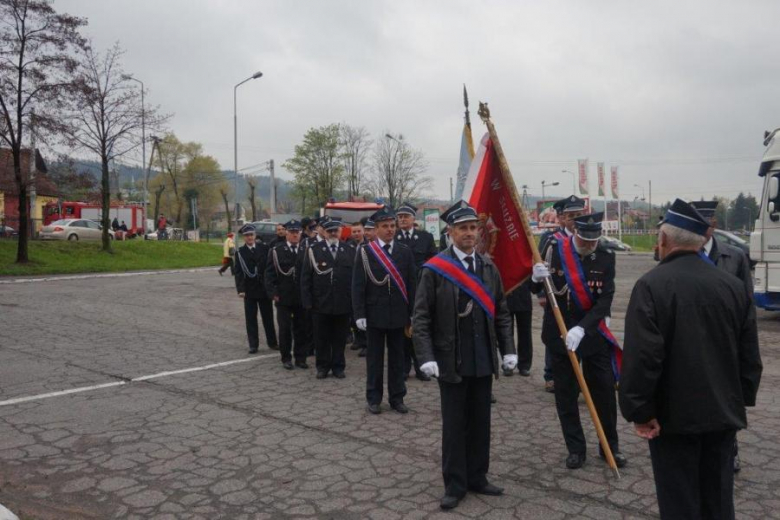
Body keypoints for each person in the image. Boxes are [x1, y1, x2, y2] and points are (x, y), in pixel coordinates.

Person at [619, 199, 762, 520]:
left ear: (664, 240)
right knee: (719, 500)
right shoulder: (733, 286)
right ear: (700, 240)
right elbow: (749, 354)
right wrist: (740, 398)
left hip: (673, 419)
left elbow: (643, 357)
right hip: (722, 413)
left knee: (680, 502)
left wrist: (640, 411)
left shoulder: (651, 285)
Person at [413, 200, 516, 511]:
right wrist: (425, 355)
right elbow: (421, 318)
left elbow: (501, 313)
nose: (470, 233)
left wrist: (508, 349)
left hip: (483, 357)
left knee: (480, 422)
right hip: (450, 359)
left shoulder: (488, 267)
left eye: (473, 228)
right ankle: (455, 484)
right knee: (455, 425)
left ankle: (477, 477)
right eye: (463, 228)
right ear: (451, 232)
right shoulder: (435, 269)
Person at [531, 211, 626, 470]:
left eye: (593, 241)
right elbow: (536, 290)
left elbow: (605, 298)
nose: (589, 246)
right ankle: (575, 449)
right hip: (559, 335)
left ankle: (610, 447)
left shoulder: (606, 256)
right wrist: (535, 278)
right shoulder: (553, 250)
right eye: (585, 241)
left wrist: (583, 328)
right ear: (575, 233)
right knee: (566, 395)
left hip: (592, 335)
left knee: (604, 393)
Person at [691, 200, 755, 473]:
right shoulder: (685, 255)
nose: (707, 227)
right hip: (693, 338)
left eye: (710, 222)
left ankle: (731, 451)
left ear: (714, 225)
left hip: (726, 340)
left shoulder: (733, 256)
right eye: (701, 222)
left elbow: (747, 303)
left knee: (728, 399)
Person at [353, 206, 417, 414]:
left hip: (399, 314)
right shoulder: (365, 252)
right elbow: (358, 285)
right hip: (374, 314)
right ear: (376, 229)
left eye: (392, 226)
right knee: (375, 359)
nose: (390, 230)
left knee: (398, 359)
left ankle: (397, 398)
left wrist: (413, 312)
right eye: (385, 226)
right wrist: (360, 313)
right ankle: (374, 398)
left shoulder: (404, 252)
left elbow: (411, 284)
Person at [534, 196, 581, 393]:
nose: (575, 220)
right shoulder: (551, 239)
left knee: (578, 340)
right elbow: (541, 266)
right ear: (561, 218)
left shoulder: (586, 237)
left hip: (579, 300)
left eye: (579, 215)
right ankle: (550, 375)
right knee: (555, 338)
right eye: (571, 216)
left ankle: (577, 377)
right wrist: (542, 294)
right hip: (556, 297)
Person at [301, 217, 355, 379]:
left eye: (335, 230)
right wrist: (307, 301)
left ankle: (338, 366)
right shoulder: (313, 250)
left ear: (340, 231)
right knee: (321, 337)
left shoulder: (349, 250)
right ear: (324, 232)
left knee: (339, 338)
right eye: (329, 230)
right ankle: (322, 366)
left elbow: (354, 279)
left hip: (342, 302)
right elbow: (305, 278)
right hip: (320, 303)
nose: (333, 233)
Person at [396, 202, 438, 382]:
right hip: (401, 290)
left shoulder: (425, 237)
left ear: (414, 219)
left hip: (421, 289)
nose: (402, 219)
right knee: (402, 329)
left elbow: (433, 261)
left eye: (406, 216)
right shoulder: (394, 237)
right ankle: (404, 367)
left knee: (421, 328)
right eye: (400, 217)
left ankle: (421, 366)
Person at [265, 220, 308, 370]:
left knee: (301, 328)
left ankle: (301, 358)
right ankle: (286, 358)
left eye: (297, 233)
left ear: (301, 234)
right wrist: (273, 293)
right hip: (283, 297)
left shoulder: (306, 250)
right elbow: (269, 275)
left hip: (301, 297)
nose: (295, 235)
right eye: (292, 232)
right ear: (287, 234)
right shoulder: (276, 251)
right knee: (284, 329)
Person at [234, 224, 277, 353]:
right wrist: (241, 289)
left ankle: (273, 343)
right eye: (247, 235)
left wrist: (272, 287)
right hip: (249, 290)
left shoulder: (264, 248)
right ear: (244, 237)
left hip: (264, 289)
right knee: (251, 319)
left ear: (255, 235)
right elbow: (239, 272)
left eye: (251, 235)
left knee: (268, 318)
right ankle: (253, 345)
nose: (250, 237)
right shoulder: (240, 252)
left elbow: (270, 269)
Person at [505, 279, 533, 377]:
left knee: (525, 334)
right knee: (506, 334)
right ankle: (508, 364)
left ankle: (524, 365)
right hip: (506, 296)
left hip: (523, 296)